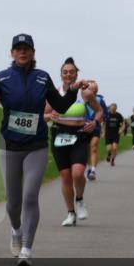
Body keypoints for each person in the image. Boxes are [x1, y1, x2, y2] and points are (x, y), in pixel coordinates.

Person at [0, 34, 86, 266]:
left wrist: (71, 90)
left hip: (35, 146)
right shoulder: (2, 77)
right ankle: (16, 230)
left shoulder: (42, 78)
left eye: (26, 49)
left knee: (30, 196)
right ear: (12, 53)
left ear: (33, 52)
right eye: (18, 49)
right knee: (13, 201)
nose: (22, 52)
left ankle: (27, 248)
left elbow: (60, 106)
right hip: (9, 146)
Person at [44, 57, 101, 226]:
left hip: (79, 135)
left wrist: (95, 122)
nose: (68, 74)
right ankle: (70, 213)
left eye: (72, 72)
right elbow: (42, 115)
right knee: (66, 177)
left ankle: (80, 200)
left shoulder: (85, 93)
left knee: (77, 173)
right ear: (61, 75)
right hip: (59, 135)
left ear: (77, 75)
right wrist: (49, 116)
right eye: (65, 72)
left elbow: (99, 112)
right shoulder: (53, 93)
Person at [86, 92, 109, 180]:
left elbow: (105, 115)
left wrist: (103, 130)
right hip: (83, 128)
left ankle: (93, 170)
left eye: (94, 90)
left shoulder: (100, 100)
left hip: (96, 127)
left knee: (94, 147)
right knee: (87, 150)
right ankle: (89, 167)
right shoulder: (80, 99)